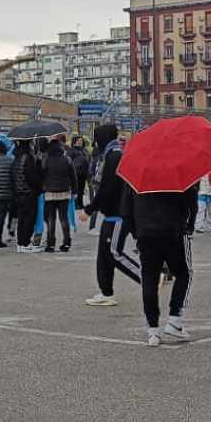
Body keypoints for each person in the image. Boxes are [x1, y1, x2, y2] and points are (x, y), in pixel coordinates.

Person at [122, 178, 197, 346]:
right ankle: (175, 317)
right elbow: (191, 203)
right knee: (184, 273)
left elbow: (126, 211)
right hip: (172, 232)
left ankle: (153, 330)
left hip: (146, 234)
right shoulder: (178, 171)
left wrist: (136, 233)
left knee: (149, 278)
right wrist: (188, 226)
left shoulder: (138, 175)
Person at [83, 124, 136, 305]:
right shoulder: (111, 155)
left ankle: (149, 277)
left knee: (114, 253)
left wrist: (90, 209)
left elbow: (107, 188)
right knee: (104, 256)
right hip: (112, 214)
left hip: (118, 215)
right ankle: (106, 293)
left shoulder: (114, 157)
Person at [40, 136, 75, 253]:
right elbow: (73, 176)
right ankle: (66, 243)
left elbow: (42, 175)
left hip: (50, 193)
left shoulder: (46, 160)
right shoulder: (67, 159)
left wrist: (42, 188)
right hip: (64, 192)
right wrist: (74, 190)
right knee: (64, 218)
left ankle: (50, 244)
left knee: (51, 219)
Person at [13, 140, 44, 254]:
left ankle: (20, 243)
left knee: (21, 219)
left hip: (18, 193)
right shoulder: (28, 158)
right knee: (29, 219)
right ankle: (26, 242)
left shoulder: (16, 157)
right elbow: (32, 177)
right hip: (29, 193)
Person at [68, 137, 91, 208]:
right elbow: (69, 160)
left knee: (81, 189)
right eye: (78, 141)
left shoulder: (84, 150)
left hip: (84, 172)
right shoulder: (72, 150)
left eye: (81, 140)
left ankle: (80, 203)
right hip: (76, 172)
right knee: (76, 189)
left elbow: (88, 158)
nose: (80, 142)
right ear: (74, 141)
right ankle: (76, 204)